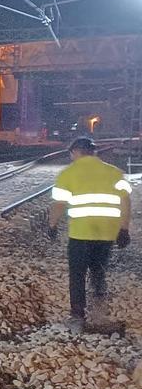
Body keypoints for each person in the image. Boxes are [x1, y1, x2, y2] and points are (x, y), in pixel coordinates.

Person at [47, 137, 132, 332]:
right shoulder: (114, 172)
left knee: (77, 274)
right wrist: (124, 228)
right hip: (107, 233)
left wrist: (52, 226)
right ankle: (98, 312)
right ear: (93, 152)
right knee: (98, 271)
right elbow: (126, 202)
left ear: (75, 152)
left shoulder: (68, 173)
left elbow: (58, 205)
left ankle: (78, 316)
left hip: (80, 233)